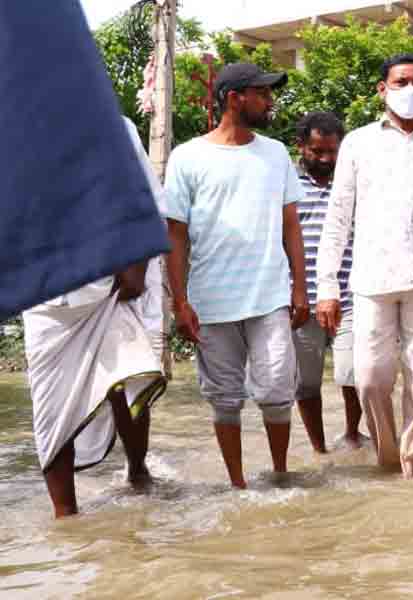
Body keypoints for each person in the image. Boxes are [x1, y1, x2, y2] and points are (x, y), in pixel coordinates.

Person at [316, 54, 413, 483]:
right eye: (400, 82)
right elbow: (337, 217)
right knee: (370, 378)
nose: (410, 90)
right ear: (382, 89)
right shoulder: (359, 144)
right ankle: (387, 455)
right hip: (373, 279)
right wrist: (327, 286)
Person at [165, 63, 307, 489]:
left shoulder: (276, 153)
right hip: (212, 299)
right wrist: (180, 301)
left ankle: (281, 476)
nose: (270, 102)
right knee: (224, 400)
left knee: (278, 390)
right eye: (262, 94)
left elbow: (291, 226)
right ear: (234, 98)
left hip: (269, 297)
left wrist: (300, 288)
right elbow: (175, 235)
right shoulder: (187, 157)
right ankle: (238, 486)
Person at [21, 117, 169, 518]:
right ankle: (66, 518)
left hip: (109, 286)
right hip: (44, 296)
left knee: (132, 382)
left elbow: (147, 202)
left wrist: (137, 265)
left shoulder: (113, 125)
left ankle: (138, 474)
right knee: (51, 412)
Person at [0, 1, 168, 319]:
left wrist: (133, 271)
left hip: (109, 295)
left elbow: (152, 208)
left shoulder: (113, 127)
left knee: (133, 370)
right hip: (44, 306)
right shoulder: (16, 133)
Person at [290, 112, 367, 453]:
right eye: (316, 151)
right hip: (302, 296)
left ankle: (353, 433)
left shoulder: (354, 182)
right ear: (301, 146)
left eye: (332, 151)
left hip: (351, 292)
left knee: (355, 374)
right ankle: (319, 449)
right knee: (306, 381)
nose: (325, 159)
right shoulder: (286, 183)